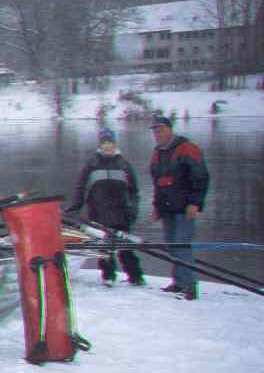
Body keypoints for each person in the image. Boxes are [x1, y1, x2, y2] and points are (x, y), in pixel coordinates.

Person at [66, 128, 145, 286]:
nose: (107, 146)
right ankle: (108, 276)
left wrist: (133, 210)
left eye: (109, 143)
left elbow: (134, 192)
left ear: (114, 144)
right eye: (104, 143)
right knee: (104, 248)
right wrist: (75, 208)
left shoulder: (124, 165)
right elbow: (81, 188)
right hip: (98, 213)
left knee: (126, 248)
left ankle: (135, 277)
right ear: (100, 145)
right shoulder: (91, 165)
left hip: (122, 214)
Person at [149, 116, 209, 300]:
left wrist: (195, 203)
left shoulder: (187, 148)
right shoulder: (157, 153)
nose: (157, 134)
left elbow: (201, 177)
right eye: (155, 131)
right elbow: (157, 183)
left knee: (181, 244)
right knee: (171, 246)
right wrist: (156, 206)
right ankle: (179, 282)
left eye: (160, 130)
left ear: (170, 129)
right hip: (167, 208)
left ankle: (190, 285)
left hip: (185, 208)